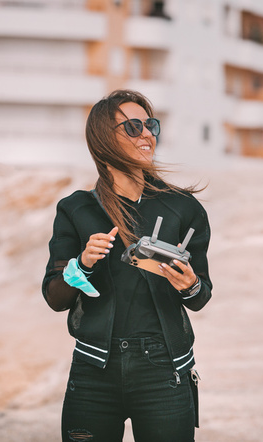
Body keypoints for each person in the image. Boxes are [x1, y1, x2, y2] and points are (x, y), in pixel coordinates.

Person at [42, 89, 213, 441]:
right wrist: (82, 264)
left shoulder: (184, 208)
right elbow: (55, 297)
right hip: (93, 373)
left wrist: (189, 283)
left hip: (165, 372)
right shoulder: (76, 209)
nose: (148, 134)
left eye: (150, 125)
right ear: (104, 139)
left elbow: (201, 297)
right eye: (133, 127)